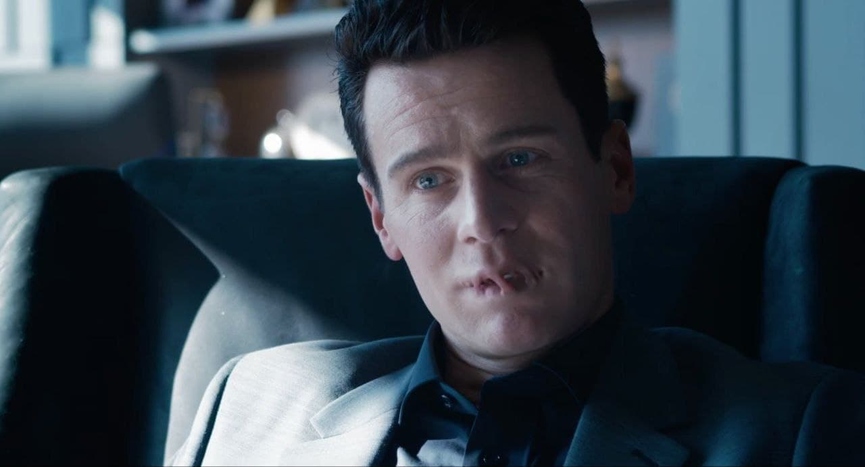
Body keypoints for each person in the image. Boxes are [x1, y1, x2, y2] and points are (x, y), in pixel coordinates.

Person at [170, 0, 865, 465]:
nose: (482, 221)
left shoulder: (797, 430)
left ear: (615, 170)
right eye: (428, 180)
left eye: (520, 159)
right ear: (381, 217)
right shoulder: (249, 407)